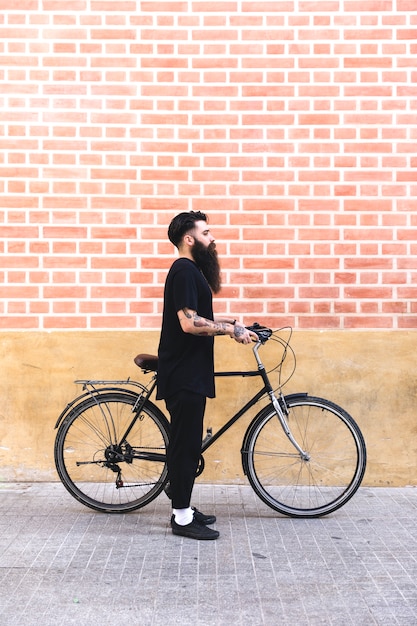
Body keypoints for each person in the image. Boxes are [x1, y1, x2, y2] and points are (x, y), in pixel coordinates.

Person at [156, 211, 258, 540]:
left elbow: (203, 316)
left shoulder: (191, 272)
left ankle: (184, 505)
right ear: (190, 239)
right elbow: (188, 322)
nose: (212, 238)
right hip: (184, 373)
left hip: (191, 371)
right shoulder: (184, 270)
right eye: (207, 232)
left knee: (187, 445)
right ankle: (181, 519)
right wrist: (228, 330)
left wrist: (237, 325)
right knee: (185, 447)